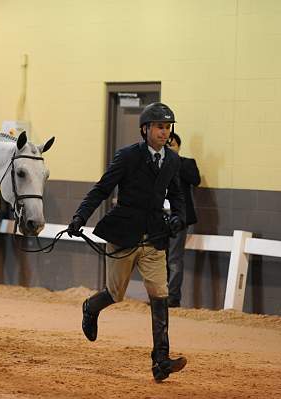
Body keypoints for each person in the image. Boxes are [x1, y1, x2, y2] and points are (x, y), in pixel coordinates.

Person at [67, 102, 187, 382]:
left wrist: (178, 218)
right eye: (159, 126)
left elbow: (178, 196)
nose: (164, 132)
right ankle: (91, 307)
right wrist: (79, 217)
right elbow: (101, 189)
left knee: (160, 295)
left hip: (154, 238)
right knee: (115, 292)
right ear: (145, 129)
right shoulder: (127, 157)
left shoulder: (172, 160)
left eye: (167, 127)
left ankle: (160, 361)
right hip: (123, 234)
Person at [166, 132, 200, 308]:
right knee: (158, 258)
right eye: (166, 144)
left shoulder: (186, 163)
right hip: (159, 216)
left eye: (172, 144)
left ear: (178, 146)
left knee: (174, 258)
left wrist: (174, 160)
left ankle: (172, 297)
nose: (169, 146)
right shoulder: (156, 162)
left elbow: (196, 180)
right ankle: (159, 294)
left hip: (178, 217)